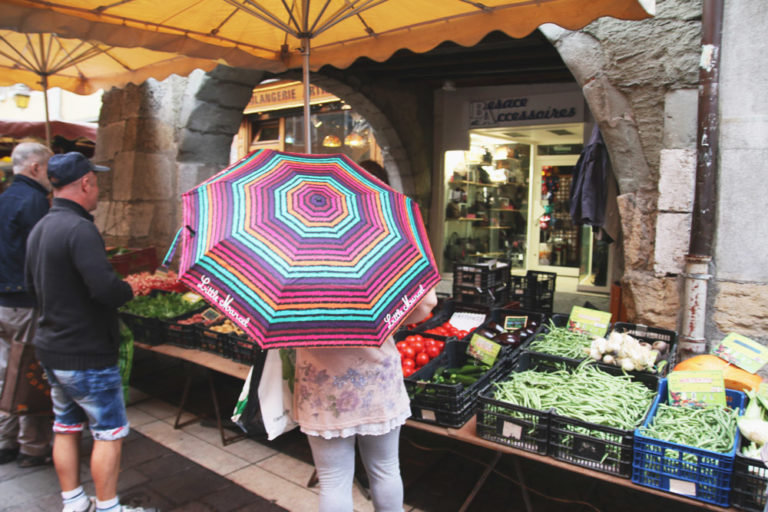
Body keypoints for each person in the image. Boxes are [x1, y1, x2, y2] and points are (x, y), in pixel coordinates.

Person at [25, 152, 156, 512]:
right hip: (86, 352)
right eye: (95, 182)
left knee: (65, 427)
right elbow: (105, 290)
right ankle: (109, 507)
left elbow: (31, 285)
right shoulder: (80, 229)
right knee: (108, 433)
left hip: (52, 348)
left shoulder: (42, 227)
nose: (98, 189)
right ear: (85, 183)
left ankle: (74, 502)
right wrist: (129, 287)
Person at [293, 287, 438, 512]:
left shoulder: (292, 258)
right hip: (376, 378)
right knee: (385, 469)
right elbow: (426, 304)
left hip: (321, 384)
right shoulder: (387, 251)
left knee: (333, 481)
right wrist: (391, 321)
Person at [0, 141, 54, 467]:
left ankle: (4, 440)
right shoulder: (34, 201)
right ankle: (32, 447)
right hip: (24, 302)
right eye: (48, 169)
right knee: (30, 372)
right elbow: (41, 257)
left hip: (2, 301)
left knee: (6, 373)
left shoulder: (4, 198)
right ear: (36, 167)